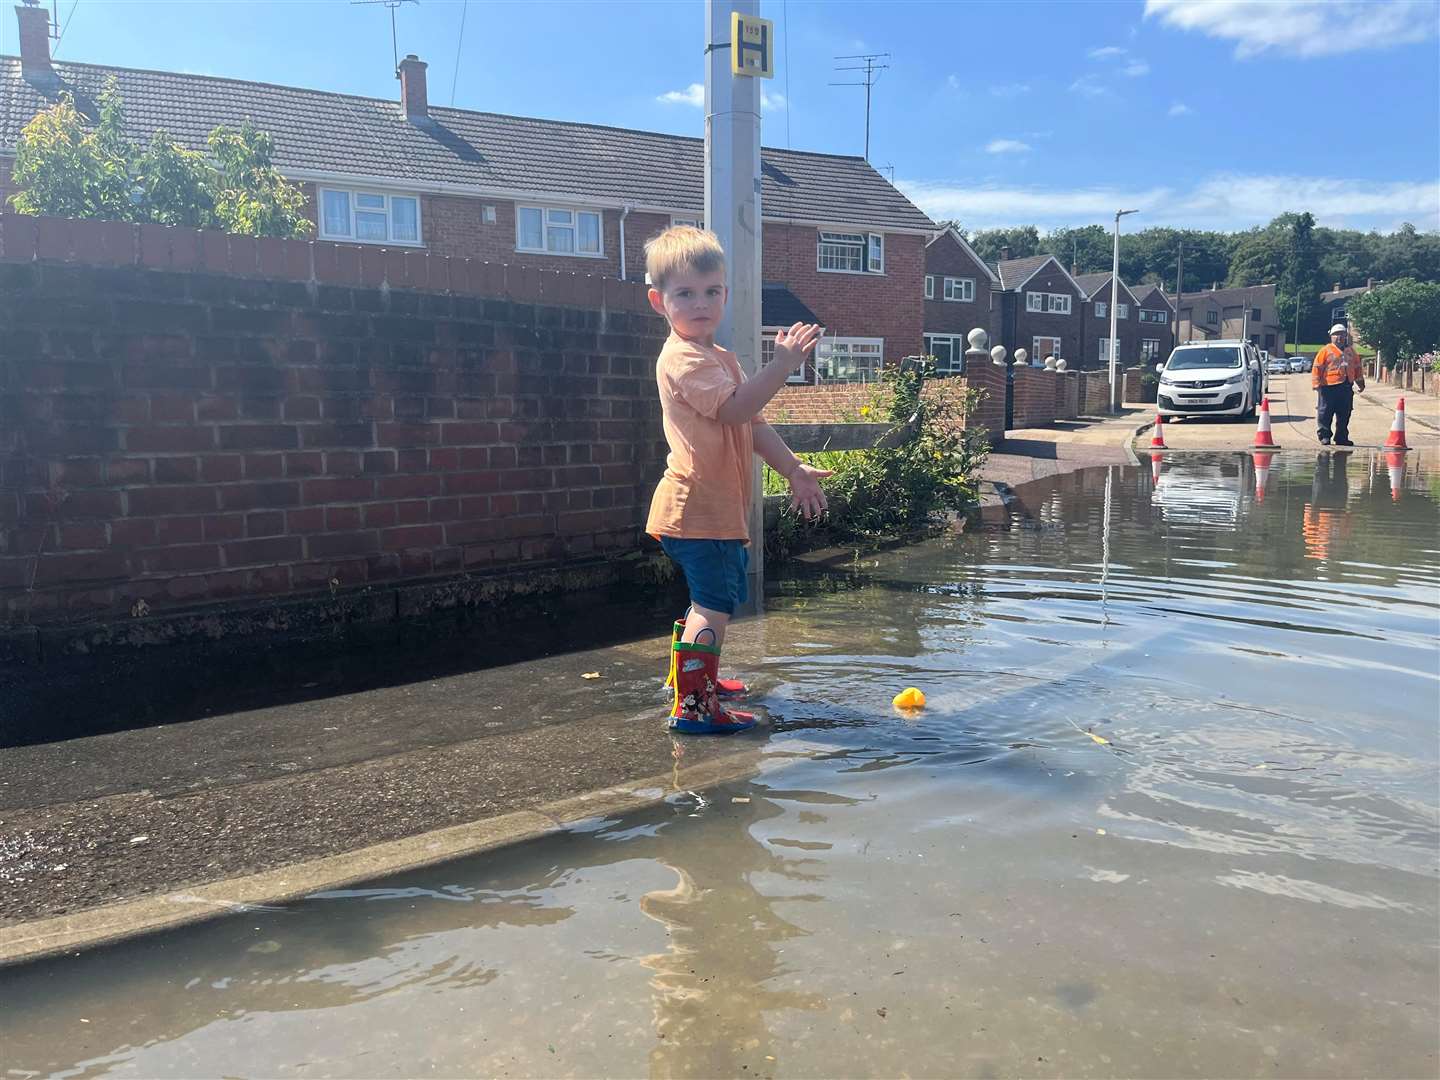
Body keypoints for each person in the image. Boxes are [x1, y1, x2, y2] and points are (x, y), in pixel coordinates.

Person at [644, 226, 830, 735]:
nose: (700, 303)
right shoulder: (682, 358)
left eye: (711, 291)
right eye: (685, 293)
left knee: (708, 598)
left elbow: (754, 424)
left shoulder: (717, 356)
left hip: (706, 509)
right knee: (715, 603)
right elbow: (736, 409)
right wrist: (783, 366)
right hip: (699, 508)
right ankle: (695, 707)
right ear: (659, 301)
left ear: (725, 293)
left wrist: (793, 468)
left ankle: (689, 680)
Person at [1312, 324, 1366, 446]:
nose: (1339, 337)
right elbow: (1317, 367)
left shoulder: (1351, 351)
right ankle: (1324, 436)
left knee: (1344, 413)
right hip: (1328, 387)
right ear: (1331, 336)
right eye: (1336, 335)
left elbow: (1357, 368)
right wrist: (1316, 384)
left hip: (1346, 387)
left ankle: (1341, 437)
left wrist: (1360, 383)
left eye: (1342, 334)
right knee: (1325, 413)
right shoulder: (1325, 351)